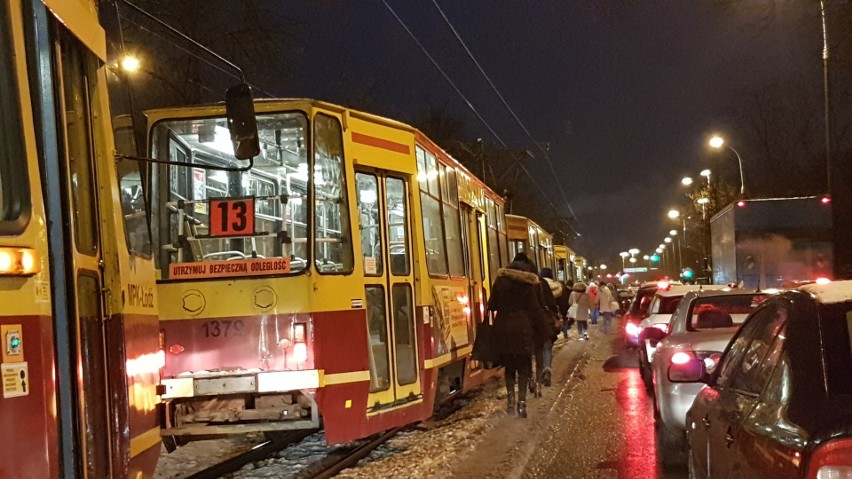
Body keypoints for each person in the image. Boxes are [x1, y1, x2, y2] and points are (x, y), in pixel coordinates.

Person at [487, 253, 548, 418]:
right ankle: (522, 401)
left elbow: (491, 305)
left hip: (503, 328)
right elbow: (535, 309)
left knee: (509, 368)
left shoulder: (501, 281)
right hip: (522, 329)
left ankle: (510, 400)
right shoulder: (527, 283)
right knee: (523, 367)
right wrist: (544, 329)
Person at [538, 268, 563, 387]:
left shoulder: (536, 284)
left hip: (538, 320)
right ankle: (547, 368)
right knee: (547, 347)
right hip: (550, 320)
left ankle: (539, 373)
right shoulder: (557, 287)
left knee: (538, 348)